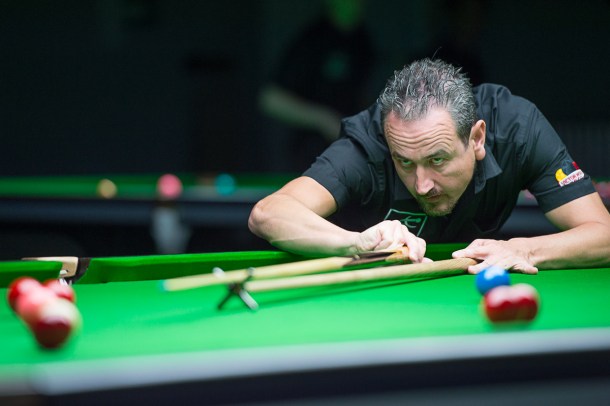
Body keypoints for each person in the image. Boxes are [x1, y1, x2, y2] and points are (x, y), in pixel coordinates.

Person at [249, 58, 610, 274]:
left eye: (437, 160)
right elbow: (268, 214)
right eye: (405, 162)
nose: (422, 184)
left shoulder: (518, 130)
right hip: (374, 297)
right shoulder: (367, 147)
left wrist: (524, 249)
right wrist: (358, 243)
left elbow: (603, 234)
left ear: (477, 139)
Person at [259, 0, 375, 172]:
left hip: (353, 157)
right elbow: (270, 100)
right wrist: (324, 120)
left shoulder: (363, 42)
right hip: (311, 159)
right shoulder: (312, 41)